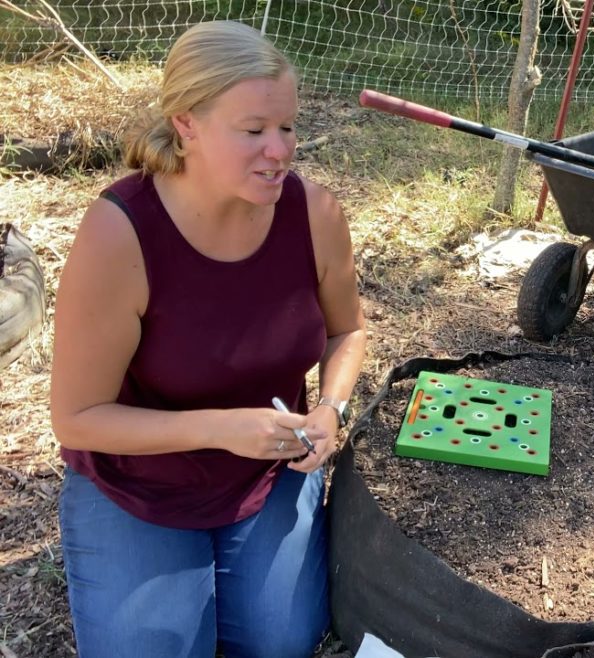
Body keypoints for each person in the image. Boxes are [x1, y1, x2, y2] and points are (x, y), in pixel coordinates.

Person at [49, 20, 366, 658]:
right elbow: (76, 418)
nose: (280, 150)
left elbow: (347, 329)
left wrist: (331, 408)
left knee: (282, 643)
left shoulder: (314, 213)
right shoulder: (120, 233)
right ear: (186, 123)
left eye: (288, 127)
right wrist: (221, 428)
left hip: (267, 468)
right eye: (253, 131)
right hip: (141, 482)